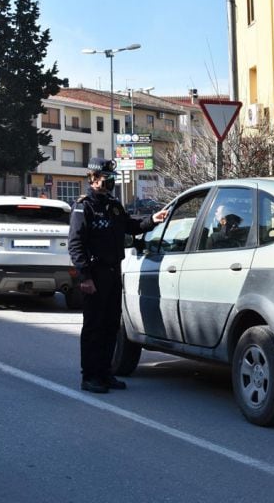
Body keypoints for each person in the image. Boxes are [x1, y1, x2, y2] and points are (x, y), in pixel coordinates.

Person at [68, 159, 168, 393]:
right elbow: (75, 244)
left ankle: (105, 373)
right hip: (95, 274)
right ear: (93, 178)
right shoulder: (84, 207)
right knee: (94, 327)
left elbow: (129, 226)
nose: (109, 181)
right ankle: (90, 376)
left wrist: (152, 220)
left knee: (111, 325)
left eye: (111, 177)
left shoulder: (113, 205)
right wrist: (85, 277)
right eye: (105, 177)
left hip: (113, 272)